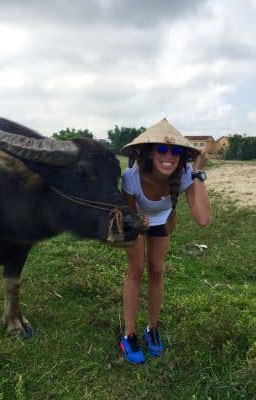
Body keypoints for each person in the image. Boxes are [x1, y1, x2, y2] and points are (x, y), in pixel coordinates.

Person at [119, 118, 212, 364]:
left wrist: (197, 172)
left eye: (175, 151)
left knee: (157, 271)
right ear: (150, 153)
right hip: (138, 221)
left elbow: (202, 219)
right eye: (161, 149)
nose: (168, 155)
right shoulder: (131, 177)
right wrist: (138, 218)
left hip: (161, 220)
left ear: (182, 156)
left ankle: (152, 328)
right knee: (136, 270)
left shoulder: (183, 175)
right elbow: (128, 211)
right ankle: (128, 334)